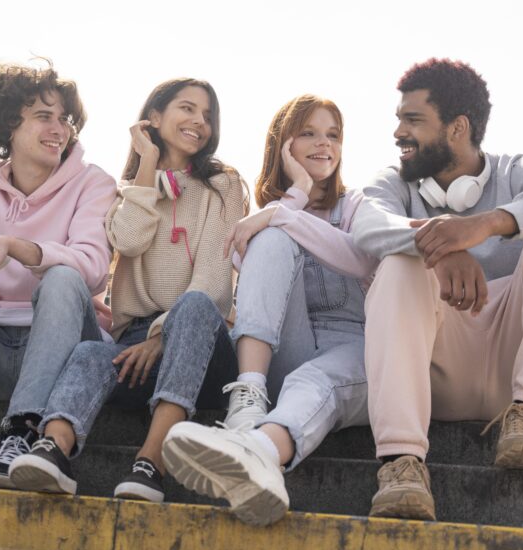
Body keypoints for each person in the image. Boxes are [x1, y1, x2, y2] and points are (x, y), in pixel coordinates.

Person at [351, 58, 523, 520]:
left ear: (458, 127)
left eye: (413, 120)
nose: (398, 132)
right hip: (437, 373)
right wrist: (441, 246)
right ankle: (401, 463)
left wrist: (487, 224)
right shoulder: (392, 183)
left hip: (517, 371)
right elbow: (367, 225)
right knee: (399, 265)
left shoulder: (520, 171)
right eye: (399, 119)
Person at [8, 78, 246, 503]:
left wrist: (161, 335)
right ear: (154, 116)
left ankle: (151, 463)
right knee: (90, 352)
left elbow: (213, 282)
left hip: (204, 343)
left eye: (207, 115)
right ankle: (52, 451)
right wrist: (148, 164)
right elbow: (131, 240)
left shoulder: (223, 185)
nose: (199, 121)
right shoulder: (128, 193)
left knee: (194, 304)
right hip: (135, 348)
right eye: (187, 108)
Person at [161, 95, 379, 525]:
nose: (324, 144)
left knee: (313, 382)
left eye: (333, 135)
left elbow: (361, 259)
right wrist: (294, 196)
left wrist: (283, 213)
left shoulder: (358, 204)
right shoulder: (264, 221)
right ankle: (248, 399)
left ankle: (258, 456)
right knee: (271, 237)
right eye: (309, 133)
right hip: (287, 351)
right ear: (284, 145)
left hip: (357, 353)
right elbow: (246, 267)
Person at [0, 61, 116, 489]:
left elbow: (92, 266)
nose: (59, 129)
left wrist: (12, 245)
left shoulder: (93, 183)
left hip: (66, 346)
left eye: (65, 119)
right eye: (43, 116)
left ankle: (20, 432)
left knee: (63, 277)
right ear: (9, 125)